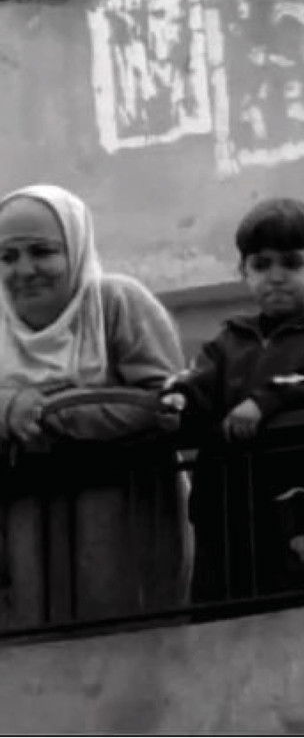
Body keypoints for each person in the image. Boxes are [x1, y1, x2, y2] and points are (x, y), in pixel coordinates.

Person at [0, 184, 190, 620]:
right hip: (27, 523)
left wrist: (52, 414)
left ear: (76, 247)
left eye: (42, 251)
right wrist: (10, 409)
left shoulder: (116, 304)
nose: (24, 270)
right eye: (7, 257)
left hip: (122, 515)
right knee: (39, 641)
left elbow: (167, 401)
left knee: (122, 637)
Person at [162, 197, 304, 602]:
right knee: (219, 618)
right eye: (261, 265)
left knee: (300, 616)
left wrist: (266, 401)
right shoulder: (228, 341)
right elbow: (193, 385)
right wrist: (172, 404)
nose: (276, 277)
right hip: (224, 510)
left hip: (301, 506)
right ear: (242, 272)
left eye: (291, 264)